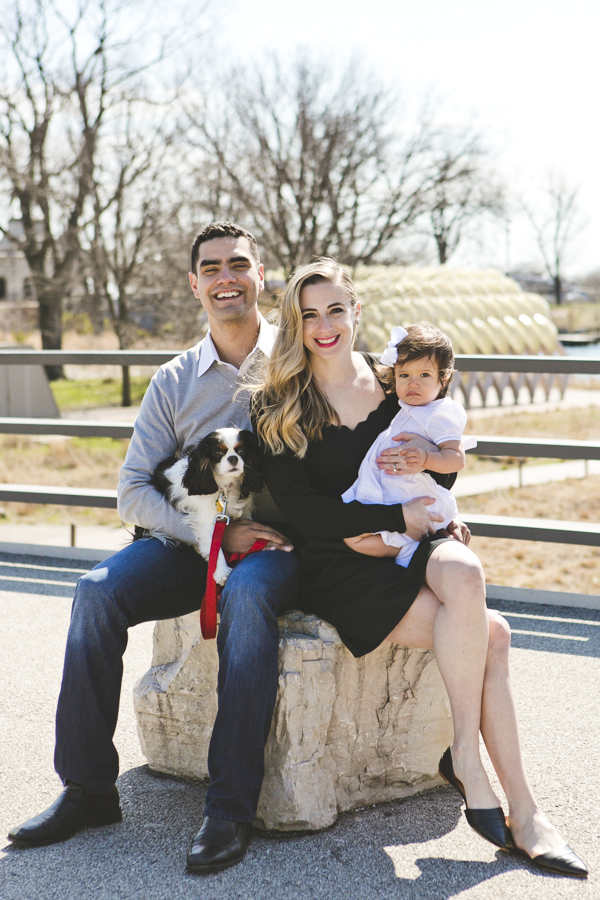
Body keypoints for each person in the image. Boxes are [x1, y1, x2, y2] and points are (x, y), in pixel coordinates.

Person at [251, 257, 588, 879]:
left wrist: (430, 496)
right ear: (294, 324)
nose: (324, 326)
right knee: (495, 633)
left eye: (335, 310)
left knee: (463, 570)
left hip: (418, 536)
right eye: (308, 314)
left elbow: (446, 460)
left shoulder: (394, 380)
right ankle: (524, 812)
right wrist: (387, 523)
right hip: (344, 559)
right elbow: (299, 509)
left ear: (356, 312)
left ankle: (467, 755)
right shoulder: (279, 403)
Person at [7, 222, 300, 875]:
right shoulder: (173, 380)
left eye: (239, 264)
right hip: (186, 542)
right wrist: (213, 532)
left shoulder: (298, 361)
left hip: (274, 551)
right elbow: (132, 488)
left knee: (248, 599)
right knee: (95, 591)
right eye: (212, 268)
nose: (227, 277)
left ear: (260, 275)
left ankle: (229, 808)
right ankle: (86, 789)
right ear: (195, 284)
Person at [342, 321, 470, 567]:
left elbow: (456, 458)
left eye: (424, 375)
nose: (413, 383)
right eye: (404, 375)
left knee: (357, 539)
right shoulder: (408, 407)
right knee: (353, 537)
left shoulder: (441, 413)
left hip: (410, 490)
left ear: (443, 379)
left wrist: (425, 459)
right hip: (392, 488)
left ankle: (411, 550)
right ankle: (409, 551)